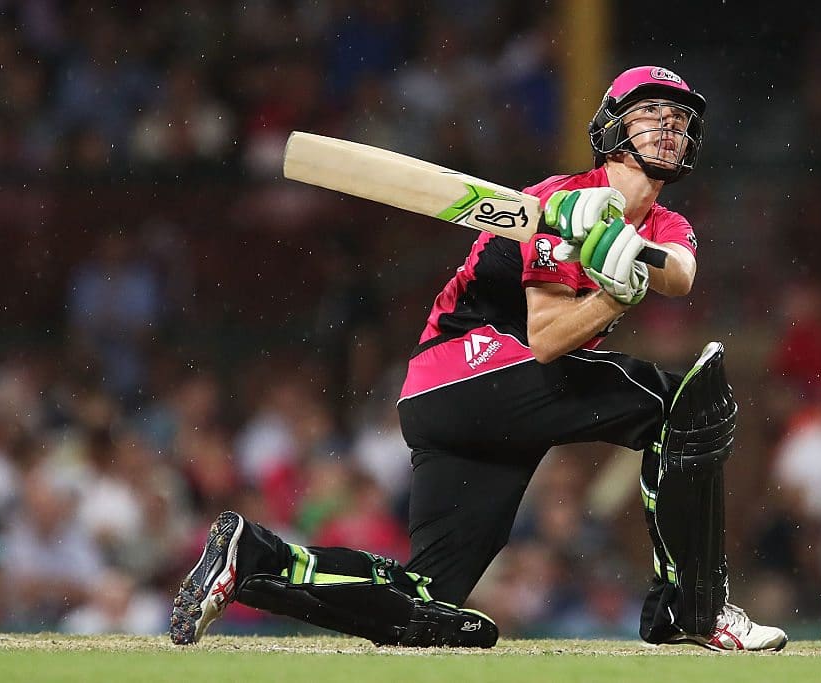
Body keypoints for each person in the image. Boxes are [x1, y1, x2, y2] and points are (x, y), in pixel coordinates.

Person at [170, 65, 788, 652]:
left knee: (426, 601)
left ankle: (252, 559)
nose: (667, 126)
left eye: (678, 118)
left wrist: (628, 251)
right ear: (611, 126)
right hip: (472, 372)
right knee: (685, 404)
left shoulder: (666, 223)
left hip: (469, 406)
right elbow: (547, 339)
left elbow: (680, 274)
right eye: (649, 112)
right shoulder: (556, 201)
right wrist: (609, 290)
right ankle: (694, 610)